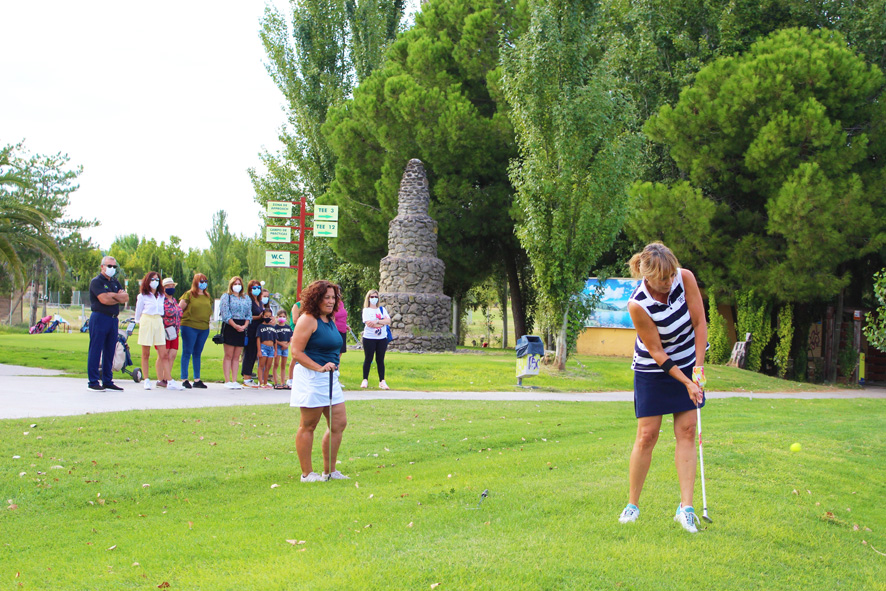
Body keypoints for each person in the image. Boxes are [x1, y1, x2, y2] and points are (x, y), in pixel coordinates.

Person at [618, 242, 708, 533]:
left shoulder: (685, 278)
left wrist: (697, 368)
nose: (669, 282)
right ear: (647, 275)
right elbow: (657, 352)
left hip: (687, 359)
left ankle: (686, 509)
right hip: (652, 368)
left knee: (687, 431)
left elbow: (699, 323)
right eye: (663, 279)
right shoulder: (638, 304)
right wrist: (685, 382)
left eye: (671, 275)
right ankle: (632, 505)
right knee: (647, 435)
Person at [291, 280, 348, 483]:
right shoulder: (308, 319)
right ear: (316, 298)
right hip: (312, 377)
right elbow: (296, 352)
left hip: (330, 377)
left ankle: (330, 471)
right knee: (308, 425)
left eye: (333, 297)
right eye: (327, 297)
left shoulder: (328, 319)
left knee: (339, 423)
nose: (331, 301)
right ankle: (307, 474)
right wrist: (319, 367)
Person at [86, 256, 129, 392]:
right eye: (109, 266)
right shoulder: (96, 282)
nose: (112, 269)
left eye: (114, 267)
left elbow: (125, 298)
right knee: (96, 349)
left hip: (113, 318)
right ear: (102, 267)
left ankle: (107, 380)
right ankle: (93, 381)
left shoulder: (115, 282)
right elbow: (103, 299)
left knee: (110, 350)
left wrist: (113, 296)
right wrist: (117, 296)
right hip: (100, 317)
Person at [134, 271, 168, 391]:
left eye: (157, 280)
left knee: (163, 353)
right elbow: (138, 313)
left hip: (158, 320)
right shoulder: (143, 296)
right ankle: (146, 379)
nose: (155, 282)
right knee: (146, 353)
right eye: (152, 279)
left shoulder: (161, 295)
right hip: (147, 319)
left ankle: (168, 379)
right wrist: (138, 323)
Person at [178, 273, 212, 389]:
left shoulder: (207, 296)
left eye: (205, 281)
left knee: (197, 353)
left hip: (203, 328)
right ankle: (184, 378)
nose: (203, 283)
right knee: (187, 352)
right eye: (201, 281)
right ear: (196, 282)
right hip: (189, 326)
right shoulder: (189, 295)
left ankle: (197, 379)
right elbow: (179, 309)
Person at [219, 276, 251, 389]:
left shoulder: (246, 298)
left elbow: (249, 314)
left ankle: (234, 380)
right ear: (231, 285)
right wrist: (235, 325)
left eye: (239, 283)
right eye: (235, 283)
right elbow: (225, 313)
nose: (237, 285)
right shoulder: (226, 297)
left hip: (242, 325)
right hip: (230, 325)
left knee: (237, 356)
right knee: (229, 354)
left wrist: (245, 325)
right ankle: (227, 380)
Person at [360, 289, 392, 390]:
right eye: (372, 297)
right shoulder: (366, 310)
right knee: (368, 358)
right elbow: (369, 324)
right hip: (369, 338)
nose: (374, 299)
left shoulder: (382, 309)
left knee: (380, 359)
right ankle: (365, 379)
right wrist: (381, 323)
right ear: (368, 298)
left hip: (381, 338)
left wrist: (378, 321)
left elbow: (388, 321)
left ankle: (382, 381)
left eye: (375, 297)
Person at [156, 278, 184, 390]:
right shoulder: (161, 300)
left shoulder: (174, 300)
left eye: (172, 286)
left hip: (174, 331)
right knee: (163, 355)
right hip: (164, 330)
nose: (171, 288)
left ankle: (167, 377)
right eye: (168, 287)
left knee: (172, 355)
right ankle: (160, 379)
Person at [241, 279, 264, 387]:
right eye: (254, 288)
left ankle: (249, 375)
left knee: (254, 353)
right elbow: (247, 315)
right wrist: (258, 317)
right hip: (250, 329)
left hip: (258, 330)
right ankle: (246, 377)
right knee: (249, 353)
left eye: (258, 288)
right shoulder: (248, 300)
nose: (256, 290)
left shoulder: (259, 301)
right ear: (250, 289)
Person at [256, 308, 277, 389]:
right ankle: (260, 382)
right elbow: (258, 338)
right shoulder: (260, 326)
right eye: (266, 316)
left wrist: (275, 350)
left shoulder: (273, 327)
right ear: (263, 316)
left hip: (271, 348)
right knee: (261, 365)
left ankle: (265, 382)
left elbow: (275, 339)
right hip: (263, 347)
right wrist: (259, 350)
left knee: (268, 366)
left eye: (269, 316)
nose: (268, 317)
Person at [274, 309, 292, 389]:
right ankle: (276, 382)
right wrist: (281, 344)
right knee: (276, 364)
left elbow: (291, 337)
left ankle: (282, 382)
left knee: (283, 365)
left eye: (284, 316)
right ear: (277, 317)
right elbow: (274, 339)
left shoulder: (288, 327)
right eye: (280, 316)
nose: (282, 318)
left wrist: (287, 345)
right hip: (278, 346)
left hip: (286, 347)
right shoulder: (276, 327)